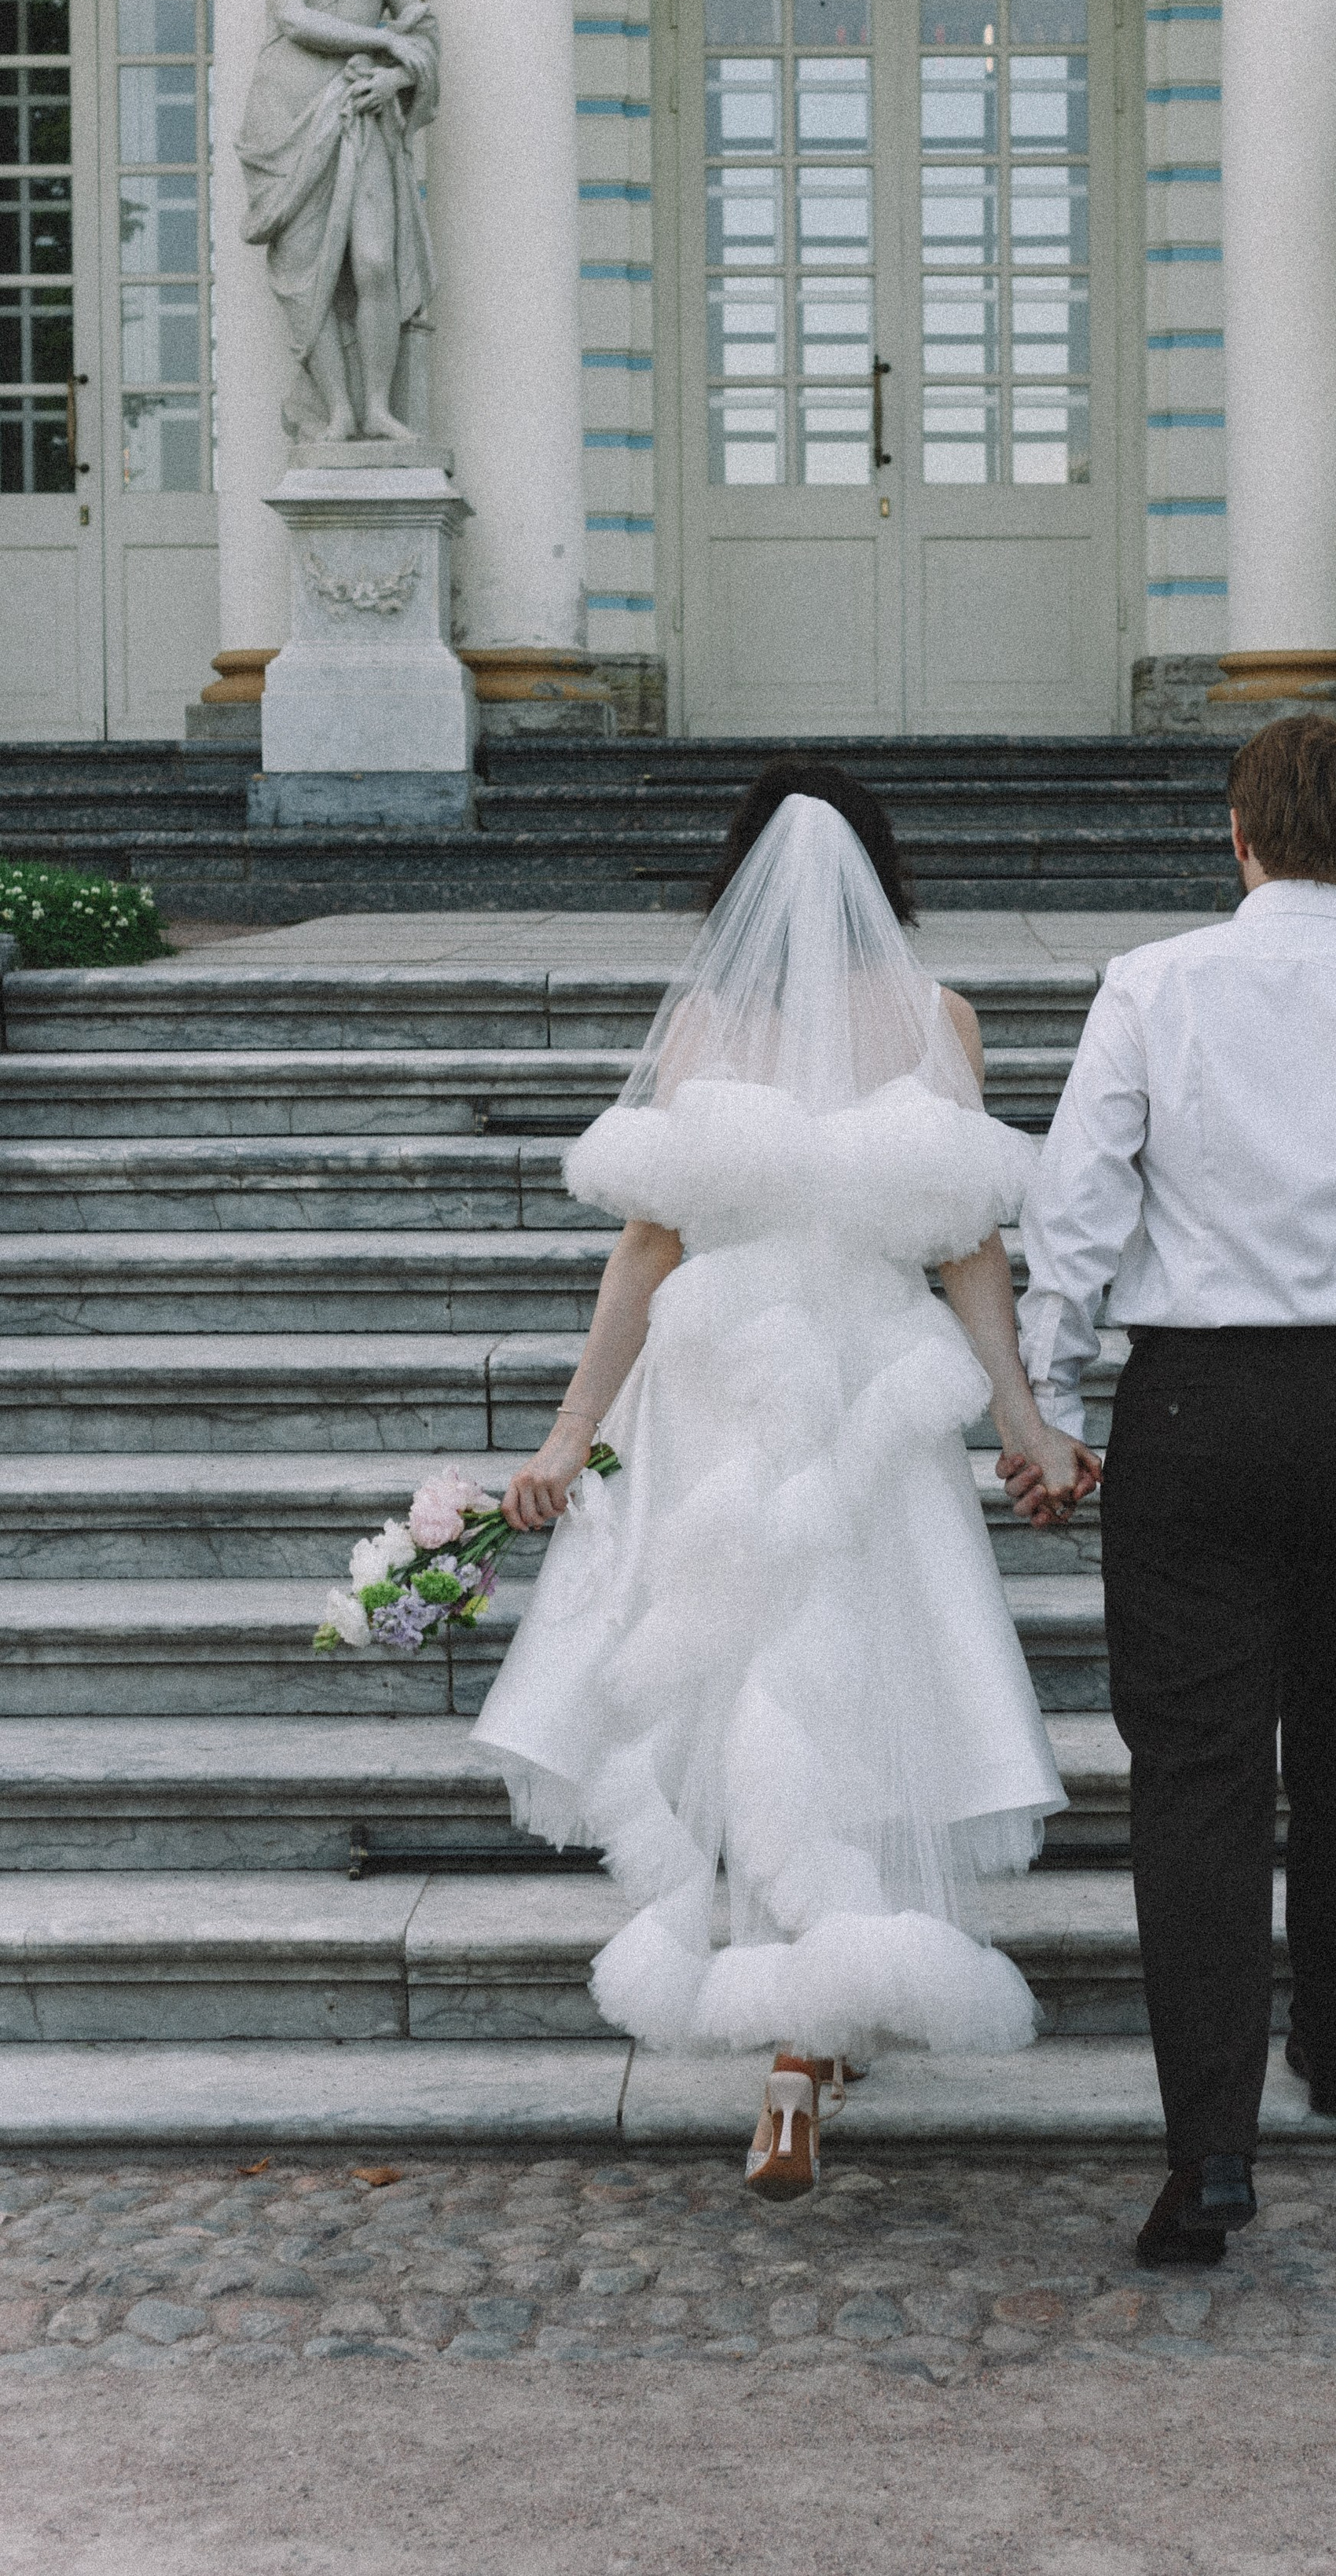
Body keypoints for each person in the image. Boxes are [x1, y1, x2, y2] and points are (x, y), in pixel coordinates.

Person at [473, 760, 1098, 2198]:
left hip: (724, 1400)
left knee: (750, 1691)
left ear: (739, 881)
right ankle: (813, 2037)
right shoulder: (936, 1019)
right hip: (870, 1394)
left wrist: (570, 1433)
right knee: (859, 1686)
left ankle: (797, 2030)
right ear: (884, 877)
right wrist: (1025, 1424)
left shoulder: (706, 1024)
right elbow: (969, 1247)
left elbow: (649, 1246)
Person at [1011, 715, 1336, 2270]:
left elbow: (1073, 1217)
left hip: (1195, 1402)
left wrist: (1048, 1409)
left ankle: (1211, 2155)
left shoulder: (1149, 988)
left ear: (1235, 835)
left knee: (1198, 1774)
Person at [236, 0, 438, 445]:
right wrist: (381, 40)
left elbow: (422, 33)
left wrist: (396, 78)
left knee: (374, 261)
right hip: (287, 108)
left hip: (361, 106)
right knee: (305, 271)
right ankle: (339, 411)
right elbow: (292, 18)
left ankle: (378, 407)